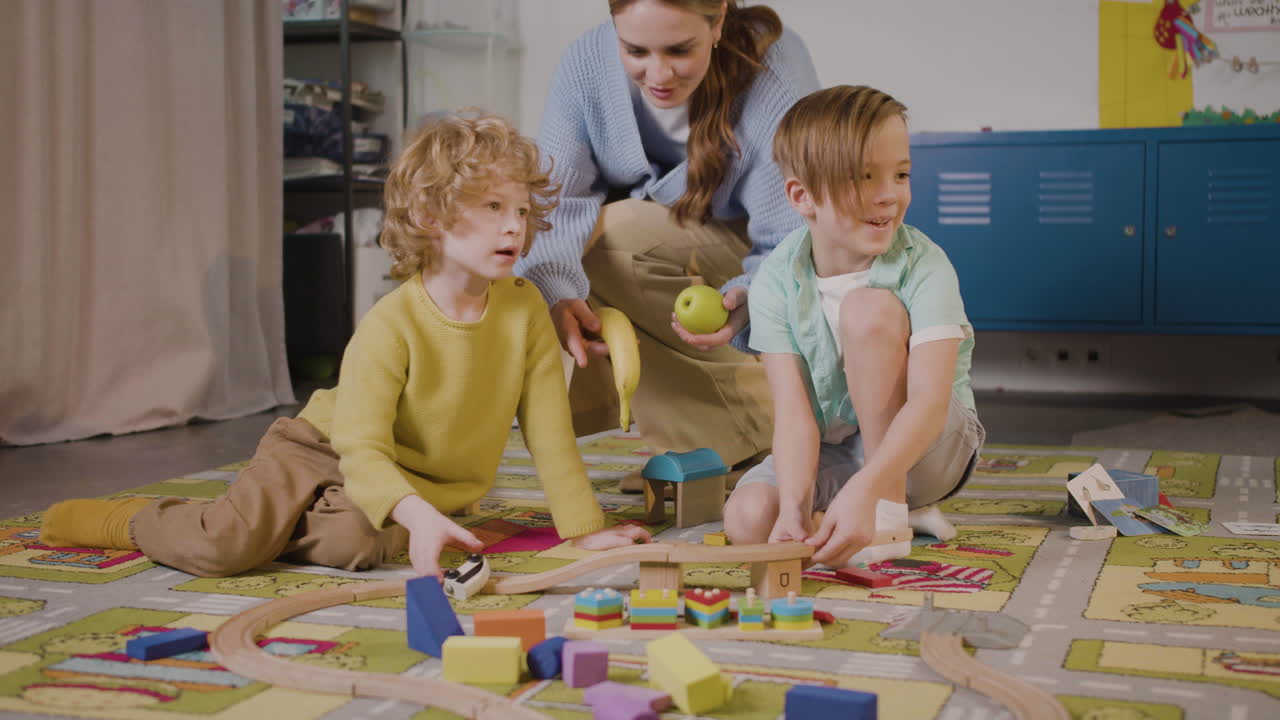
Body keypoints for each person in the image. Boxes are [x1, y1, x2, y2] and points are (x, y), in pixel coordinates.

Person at [39, 113, 651, 579]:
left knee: (352, 546)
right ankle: (132, 519)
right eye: (492, 206)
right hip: (322, 448)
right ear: (432, 217)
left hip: (412, 477)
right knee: (226, 547)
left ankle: (328, 514)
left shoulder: (525, 311)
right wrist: (411, 511)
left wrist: (583, 530)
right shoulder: (391, 323)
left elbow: (549, 434)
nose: (515, 225)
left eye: (520, 209)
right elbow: (361, 447)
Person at [516, 0, 820, 488]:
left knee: (614, 236)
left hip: (773, 257)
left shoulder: (773, 70)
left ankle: (760, 431)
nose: (658, 74)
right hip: (673, 244)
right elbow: (554, 203)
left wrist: (752, 294)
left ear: (718, 22)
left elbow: (797, 234)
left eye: (680, 50)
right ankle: (699, 445)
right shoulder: (587, 64)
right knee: (548, 263)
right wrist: (556, 296)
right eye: (635, 50)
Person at [722, 85, 987, 568]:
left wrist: (870, 488)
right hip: (841, 450)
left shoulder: (924, 264)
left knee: (867, 310)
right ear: (802, 196)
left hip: (930, 449)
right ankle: (843, 517)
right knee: (748, 519)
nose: (888, 195)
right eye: (863, 177)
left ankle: (888, 511)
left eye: (901, 174)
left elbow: (929, 404)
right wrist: (795, 509)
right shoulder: (774, 281)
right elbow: (795, 416)